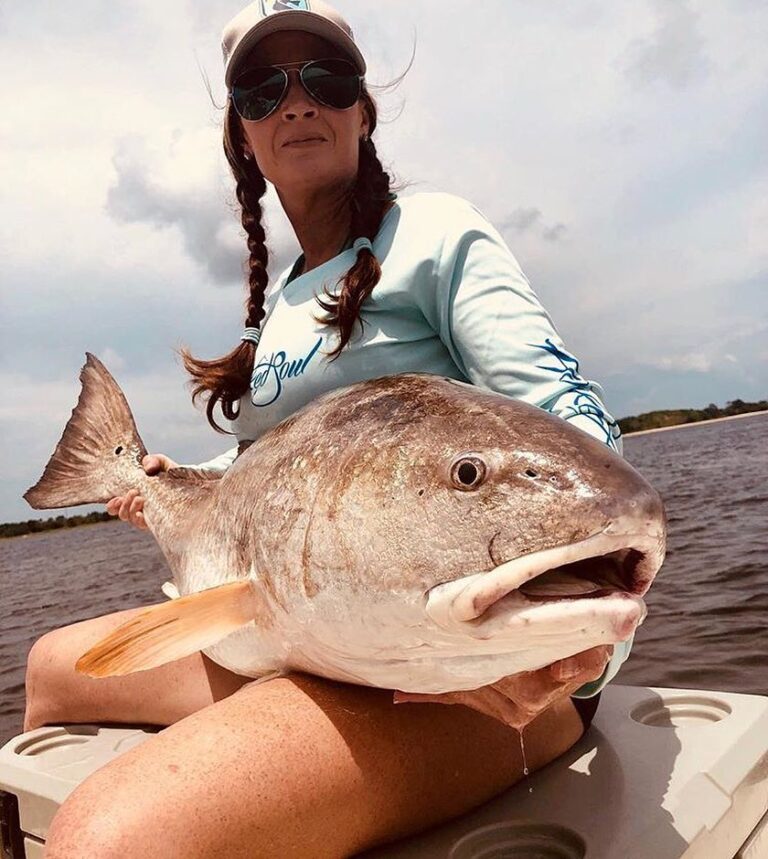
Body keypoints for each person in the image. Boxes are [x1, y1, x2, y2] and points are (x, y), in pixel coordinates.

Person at [27, 2, 629, 856]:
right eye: (265, 88)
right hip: (303, 632)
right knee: (50, 665)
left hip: (454, 671)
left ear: (362, 109)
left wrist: (579, 651)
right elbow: (274, 472)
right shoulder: (281, 311)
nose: (297, 102)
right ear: (242, 134)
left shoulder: (434, 234)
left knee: (112, 838)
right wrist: (166, 478)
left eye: (326, 79)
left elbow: (569, 413)